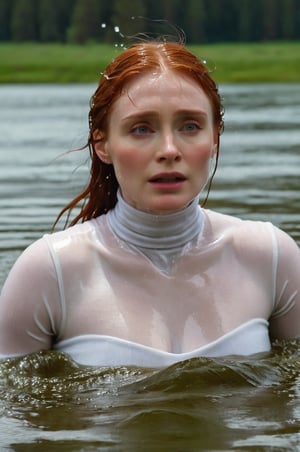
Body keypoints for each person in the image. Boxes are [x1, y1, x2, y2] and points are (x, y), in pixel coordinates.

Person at [0, 41, 299, 368]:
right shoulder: (48, 272)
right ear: (103, 144)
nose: (169, 149)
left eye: (190, 126)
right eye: (141, 128)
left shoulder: (272, 258)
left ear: (215, 138)